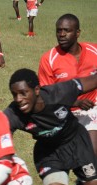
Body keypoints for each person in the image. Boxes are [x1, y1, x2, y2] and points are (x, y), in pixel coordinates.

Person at [4, 69, 97, 185]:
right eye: (14, 94)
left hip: (77, 143)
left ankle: (85, 184)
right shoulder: (14, 113)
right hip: (49, 154)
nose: (19, 99)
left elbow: (93, 80)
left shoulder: (60, 92)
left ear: (37, 90)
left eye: (23, 93)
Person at [38, 14, 97, 157]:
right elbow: (47, 96)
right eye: (58, 30)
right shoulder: (49, 59)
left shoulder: (94, 51)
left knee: (92, 154)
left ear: (77, 33)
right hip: (63, 113)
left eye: (66, 30)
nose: (62, 34)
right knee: (66, 159)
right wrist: (75, 101)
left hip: (92, 110)